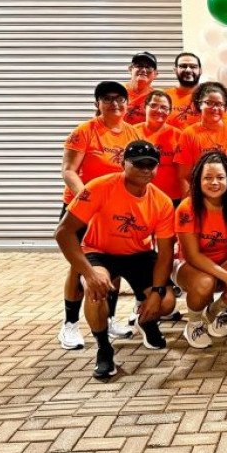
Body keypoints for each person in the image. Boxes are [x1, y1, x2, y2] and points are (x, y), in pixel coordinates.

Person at [54, 140, 176, 378]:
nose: (145, 169)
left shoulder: (161, 201)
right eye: (138, 164)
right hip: (99, 251)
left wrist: (156, 293)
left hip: (138, 254)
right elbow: (63, 232)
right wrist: (89, 273)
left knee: (166, 302)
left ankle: (146, 321)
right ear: (123, 163)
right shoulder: (99, 187)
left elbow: (165, 253)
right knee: (95, 289)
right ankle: (103, 348)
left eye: (150, 165)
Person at [58, 81, 140, 350]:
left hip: (114, 209)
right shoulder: (84, 131)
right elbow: (69, 170)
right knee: (79, 264)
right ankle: (70, 325)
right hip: (82, 208)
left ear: (127, 103)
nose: (115, 103)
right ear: (97, 104)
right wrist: (88, 200)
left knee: (112, 262)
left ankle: (110, 319)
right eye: (107, 99)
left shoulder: (132, 133)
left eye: (120, 99)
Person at [175, 152, 227, 348]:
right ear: (198, 180)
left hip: (219, 263)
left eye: (220, 177)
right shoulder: (187, 207)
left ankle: (211, 313)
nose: (214, 183)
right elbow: (192, 255)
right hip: (187, 265)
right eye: (208, 178)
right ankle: (194, 324)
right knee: (205, 282)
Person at [176, 82, 227, 196]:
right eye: (209, 103)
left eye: (219, 104)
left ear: (225, 107)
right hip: (203, 196)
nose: (214, 108)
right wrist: (188, 203)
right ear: (200, 105)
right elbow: (184, 177)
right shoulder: (189, 134)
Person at [135, 90, 182, 206]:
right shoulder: (132, 132)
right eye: (153, 105)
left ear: (169, 111)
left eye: (164, 107)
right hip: (139, 196)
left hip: (172, 199)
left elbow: (184, 172)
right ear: (145, 107)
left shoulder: (179, 135)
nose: (159, 110)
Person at [165, 52, 206, 130]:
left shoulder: (211, 97)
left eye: (193, 67)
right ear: (175, 70)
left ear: (200, 70)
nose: (188, 70)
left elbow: (225, 128)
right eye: (183, 66)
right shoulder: (164, 96)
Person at [124, 52, 158, 125]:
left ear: (155, 74)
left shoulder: (157, 98)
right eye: (139, 66)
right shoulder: (118, 92)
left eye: (148, 67)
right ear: (130, 69)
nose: (143, 70)